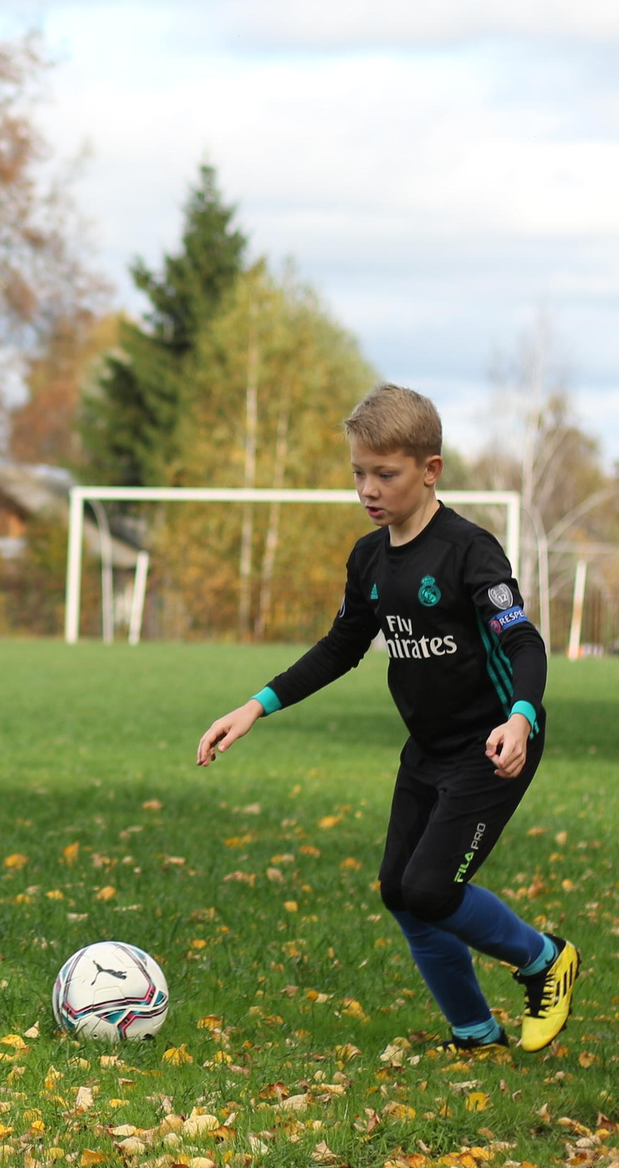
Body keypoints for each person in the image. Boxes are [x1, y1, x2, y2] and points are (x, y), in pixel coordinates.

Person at [195, 384, 580, 1053]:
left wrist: (519, 718)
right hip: (427, 748)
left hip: (494, 744)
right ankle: (474, 1029)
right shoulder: (369, 558)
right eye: (358, 473)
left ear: (429, 470)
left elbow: (525, 642)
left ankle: (545, 958)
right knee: (399, 892)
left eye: (385, 473)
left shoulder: (469, 551)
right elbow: (342, 647)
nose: (368, 488)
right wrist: (255, 705)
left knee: (431, 887)